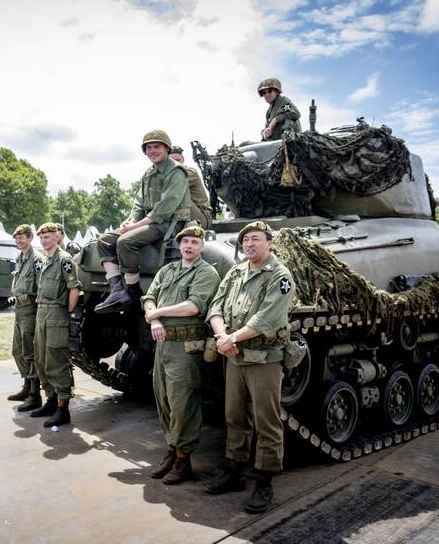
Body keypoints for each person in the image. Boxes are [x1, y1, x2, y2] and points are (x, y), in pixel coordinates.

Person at [202, 221, 295, 514]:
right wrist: (222, 336)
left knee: (266, 421)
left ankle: (264, 481)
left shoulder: (279, 276)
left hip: (263, 360)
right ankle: (234, 470)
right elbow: (215, 307)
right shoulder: (236, 272)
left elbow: (267, 318)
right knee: (234, 417)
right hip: (235, 357)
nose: (249, 244)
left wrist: (231, 338)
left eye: (255, 239)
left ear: (270, 243)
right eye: (245, 240)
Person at [142, 223, 219, 485]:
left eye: (194, 242)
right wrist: (154, 319)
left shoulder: (206, 272)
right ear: (179, 245)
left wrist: (157, 313)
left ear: (202, 246)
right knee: (163, 399)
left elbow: (193, 307)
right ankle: (173, 449)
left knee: (183, 403)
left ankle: (184, 459)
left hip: (186, 346)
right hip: (163, 344)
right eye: (185, 241)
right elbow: (149, 297)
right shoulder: (168, 270)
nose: (189, 246)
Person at [95, 130, 191, 314]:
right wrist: (130, 220)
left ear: (167, 149)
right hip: (149, 221)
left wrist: (136, 226)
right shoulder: (149, 173)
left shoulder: (176, 171)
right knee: (104, 240)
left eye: (157, 146)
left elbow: (166, 207)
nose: (152, 151)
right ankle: (117, 289)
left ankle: (133, 290)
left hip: (170, 222)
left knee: (125, 241)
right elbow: (139, 202)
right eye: (148, 148)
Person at [29, 222, 81, 427]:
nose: (44, 240)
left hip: (56, 314)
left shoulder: (64, 260)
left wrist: (66, 311)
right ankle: (51, 401)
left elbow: (74, 288)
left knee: (56, 361)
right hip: (41, 313)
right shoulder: (44, 260)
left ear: (57, 237)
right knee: (41, 359)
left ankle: (62, 409)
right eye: (42, 237)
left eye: (48, 237)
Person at [8, 224, 45, 410]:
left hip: (30, 309)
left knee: (30, 353)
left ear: (30, 238)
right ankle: (26, 386)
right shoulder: (20, 258)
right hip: (19, 309)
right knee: (17, 351)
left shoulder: (37, 259)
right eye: (16, 238)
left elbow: (41, 286)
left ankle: (34, 394)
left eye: (21, 237)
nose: (18, 241)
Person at [170, 145, 212, 229]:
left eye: (178, 160)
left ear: (183, 160)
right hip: (183, 216)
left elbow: (170, 186)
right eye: (171, 161)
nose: (175, 164)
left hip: (201, 218)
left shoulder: (190, 172)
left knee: (174, 195)